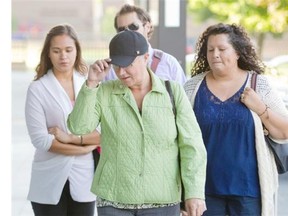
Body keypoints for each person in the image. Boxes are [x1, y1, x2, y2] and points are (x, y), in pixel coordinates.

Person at [67, 30, 207, 216]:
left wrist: (194, 193)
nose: (121, 72)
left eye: (128, 65)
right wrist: (91, 84)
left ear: (146, 57)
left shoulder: (172, 92)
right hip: (113, 200)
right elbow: (78, 127)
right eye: (116, 66)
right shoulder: (103, 91)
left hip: (162, 201)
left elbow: (192, 145)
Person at [184, 23, 288, 216]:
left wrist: (261, 109)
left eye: (222, 49)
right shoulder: (192, 88)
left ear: (238, 52)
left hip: (249, 193)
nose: (215, 54)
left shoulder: (259, 85)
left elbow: (284, 131)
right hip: (204, 193)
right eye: (210, 49)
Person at [25, 24, 100, 216]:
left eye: (68, 50)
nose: (63, 56)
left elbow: (102, 132)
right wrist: (84, 147)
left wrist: (69, 139)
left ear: (77, 50)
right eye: (56, 51)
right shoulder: (38, 89)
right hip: (48, 178)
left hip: (83, 178)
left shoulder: (89, 83)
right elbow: (41, 140)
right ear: (48, 54)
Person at [103, 3, 187, 85]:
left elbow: (184, 96)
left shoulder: (169, 64)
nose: (128, 33)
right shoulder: (112, 69)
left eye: (133, 27)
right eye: (121, 29)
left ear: (147, 27)